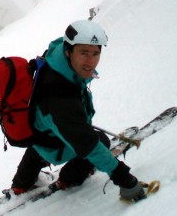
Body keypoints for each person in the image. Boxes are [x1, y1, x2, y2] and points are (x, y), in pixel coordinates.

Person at [10, 19, 146, 202]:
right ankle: (67, 179)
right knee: (99, 141)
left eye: (95, 54)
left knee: (43, 145)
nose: (91, 62)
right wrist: (127, 182)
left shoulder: (56, 60)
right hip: (53, 145)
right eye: (84, 53)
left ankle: (20, 184)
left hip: (40, 133)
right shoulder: (61, 99)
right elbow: (89, 146)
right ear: (69, 52)